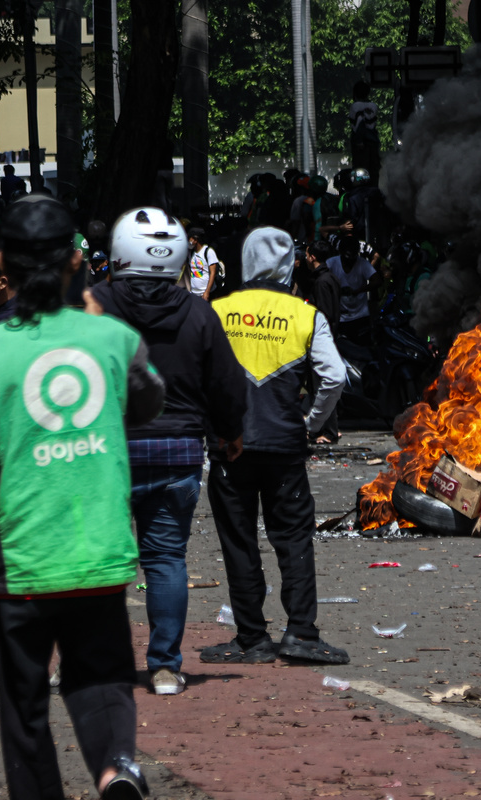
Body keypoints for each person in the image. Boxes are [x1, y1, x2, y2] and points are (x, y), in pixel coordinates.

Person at [0, 194, 163, 800]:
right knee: (103, 680)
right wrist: (94, 320)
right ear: (75, 262)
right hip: (100, 556)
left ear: (4, 262)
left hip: (24, 568)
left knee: (25, 710)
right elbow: (150, 401)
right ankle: (117, 770)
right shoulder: (112, 339)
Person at [92, 207, 247, 695]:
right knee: (165, 559)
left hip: (105, 453)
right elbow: (226, 383)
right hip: (177, 452)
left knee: (100, 562)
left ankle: (95, 661)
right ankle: (164, 667)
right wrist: (229, 432)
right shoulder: (198, 312)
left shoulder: (94, 304)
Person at [201, 226, 349, 666]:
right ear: (289, 266)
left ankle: (251, 638)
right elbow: (335, 376)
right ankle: (301, 633)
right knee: (293, 540)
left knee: (239, 541)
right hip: (286, 445)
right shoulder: (306, 315)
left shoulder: (217, 311)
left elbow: (198, 375)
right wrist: (311, 423)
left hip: (230, 447)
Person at [305, 239, 342, 445]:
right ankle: (328, 429)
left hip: (323, 339)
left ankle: (327, 432)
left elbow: (325, 314)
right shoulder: (331, 278)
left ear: (312, 257)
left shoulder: (321, 282)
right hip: (331, 337)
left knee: (321, 385)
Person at [326, 234, 383, 348]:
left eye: (353, 257)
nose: (350, 261)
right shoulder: (331, 263)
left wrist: (359, 290)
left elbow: (377, 280)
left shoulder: (362, 263)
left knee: (363, 348)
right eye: (347, 257)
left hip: (360, 315)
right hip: (340, 317)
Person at [349, 81, 381, 184]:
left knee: (360, 172)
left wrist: (359, 140)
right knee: (374, 171)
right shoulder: (373, 106)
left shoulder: (355, 106)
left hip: (360, 146)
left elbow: (359, 123)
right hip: (373, 143)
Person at [187, 226, 219, 300]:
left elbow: (212, 273)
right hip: (193, 293)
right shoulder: (191, 253)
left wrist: (207, 292)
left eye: (190, 238)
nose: (189, 241)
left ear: (195, 239)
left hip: (205, 294)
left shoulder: (208, 252)